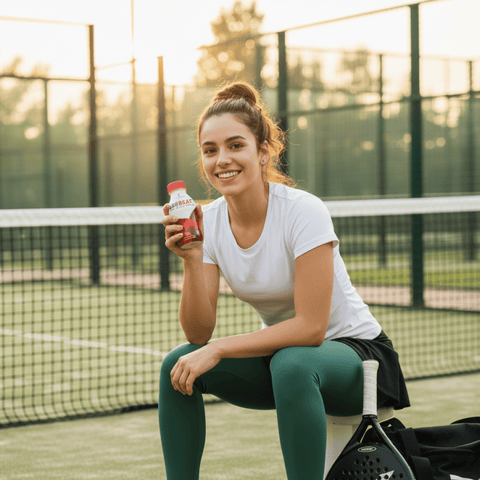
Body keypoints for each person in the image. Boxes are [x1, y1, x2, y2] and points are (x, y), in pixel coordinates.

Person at [159, 82, 410, 480]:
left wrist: (222, 349)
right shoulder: (209, 222)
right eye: (210, 150)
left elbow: (311, 328)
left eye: (235, 145)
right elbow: (198, 331)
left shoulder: (302, 211)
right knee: (179, 364)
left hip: (357, 360)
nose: (222, 159)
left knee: (293, 362)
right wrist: (192, 259)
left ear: (263, 152)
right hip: (286, 363)